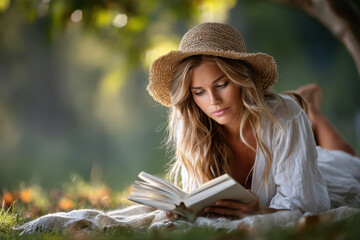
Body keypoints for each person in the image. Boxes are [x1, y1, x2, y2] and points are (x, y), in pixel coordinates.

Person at [147, 22, 360, 219]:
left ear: (242, 80)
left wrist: (259, 211)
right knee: (317, 148)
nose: (214, 102)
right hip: (301, 154)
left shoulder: (285, 114)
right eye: (199, 92)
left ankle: (311, 111)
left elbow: (306, 203)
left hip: (323, 174)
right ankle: (309, 112)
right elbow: (198, 200)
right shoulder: (194, 127)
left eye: (221, 85)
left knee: (346, 160)